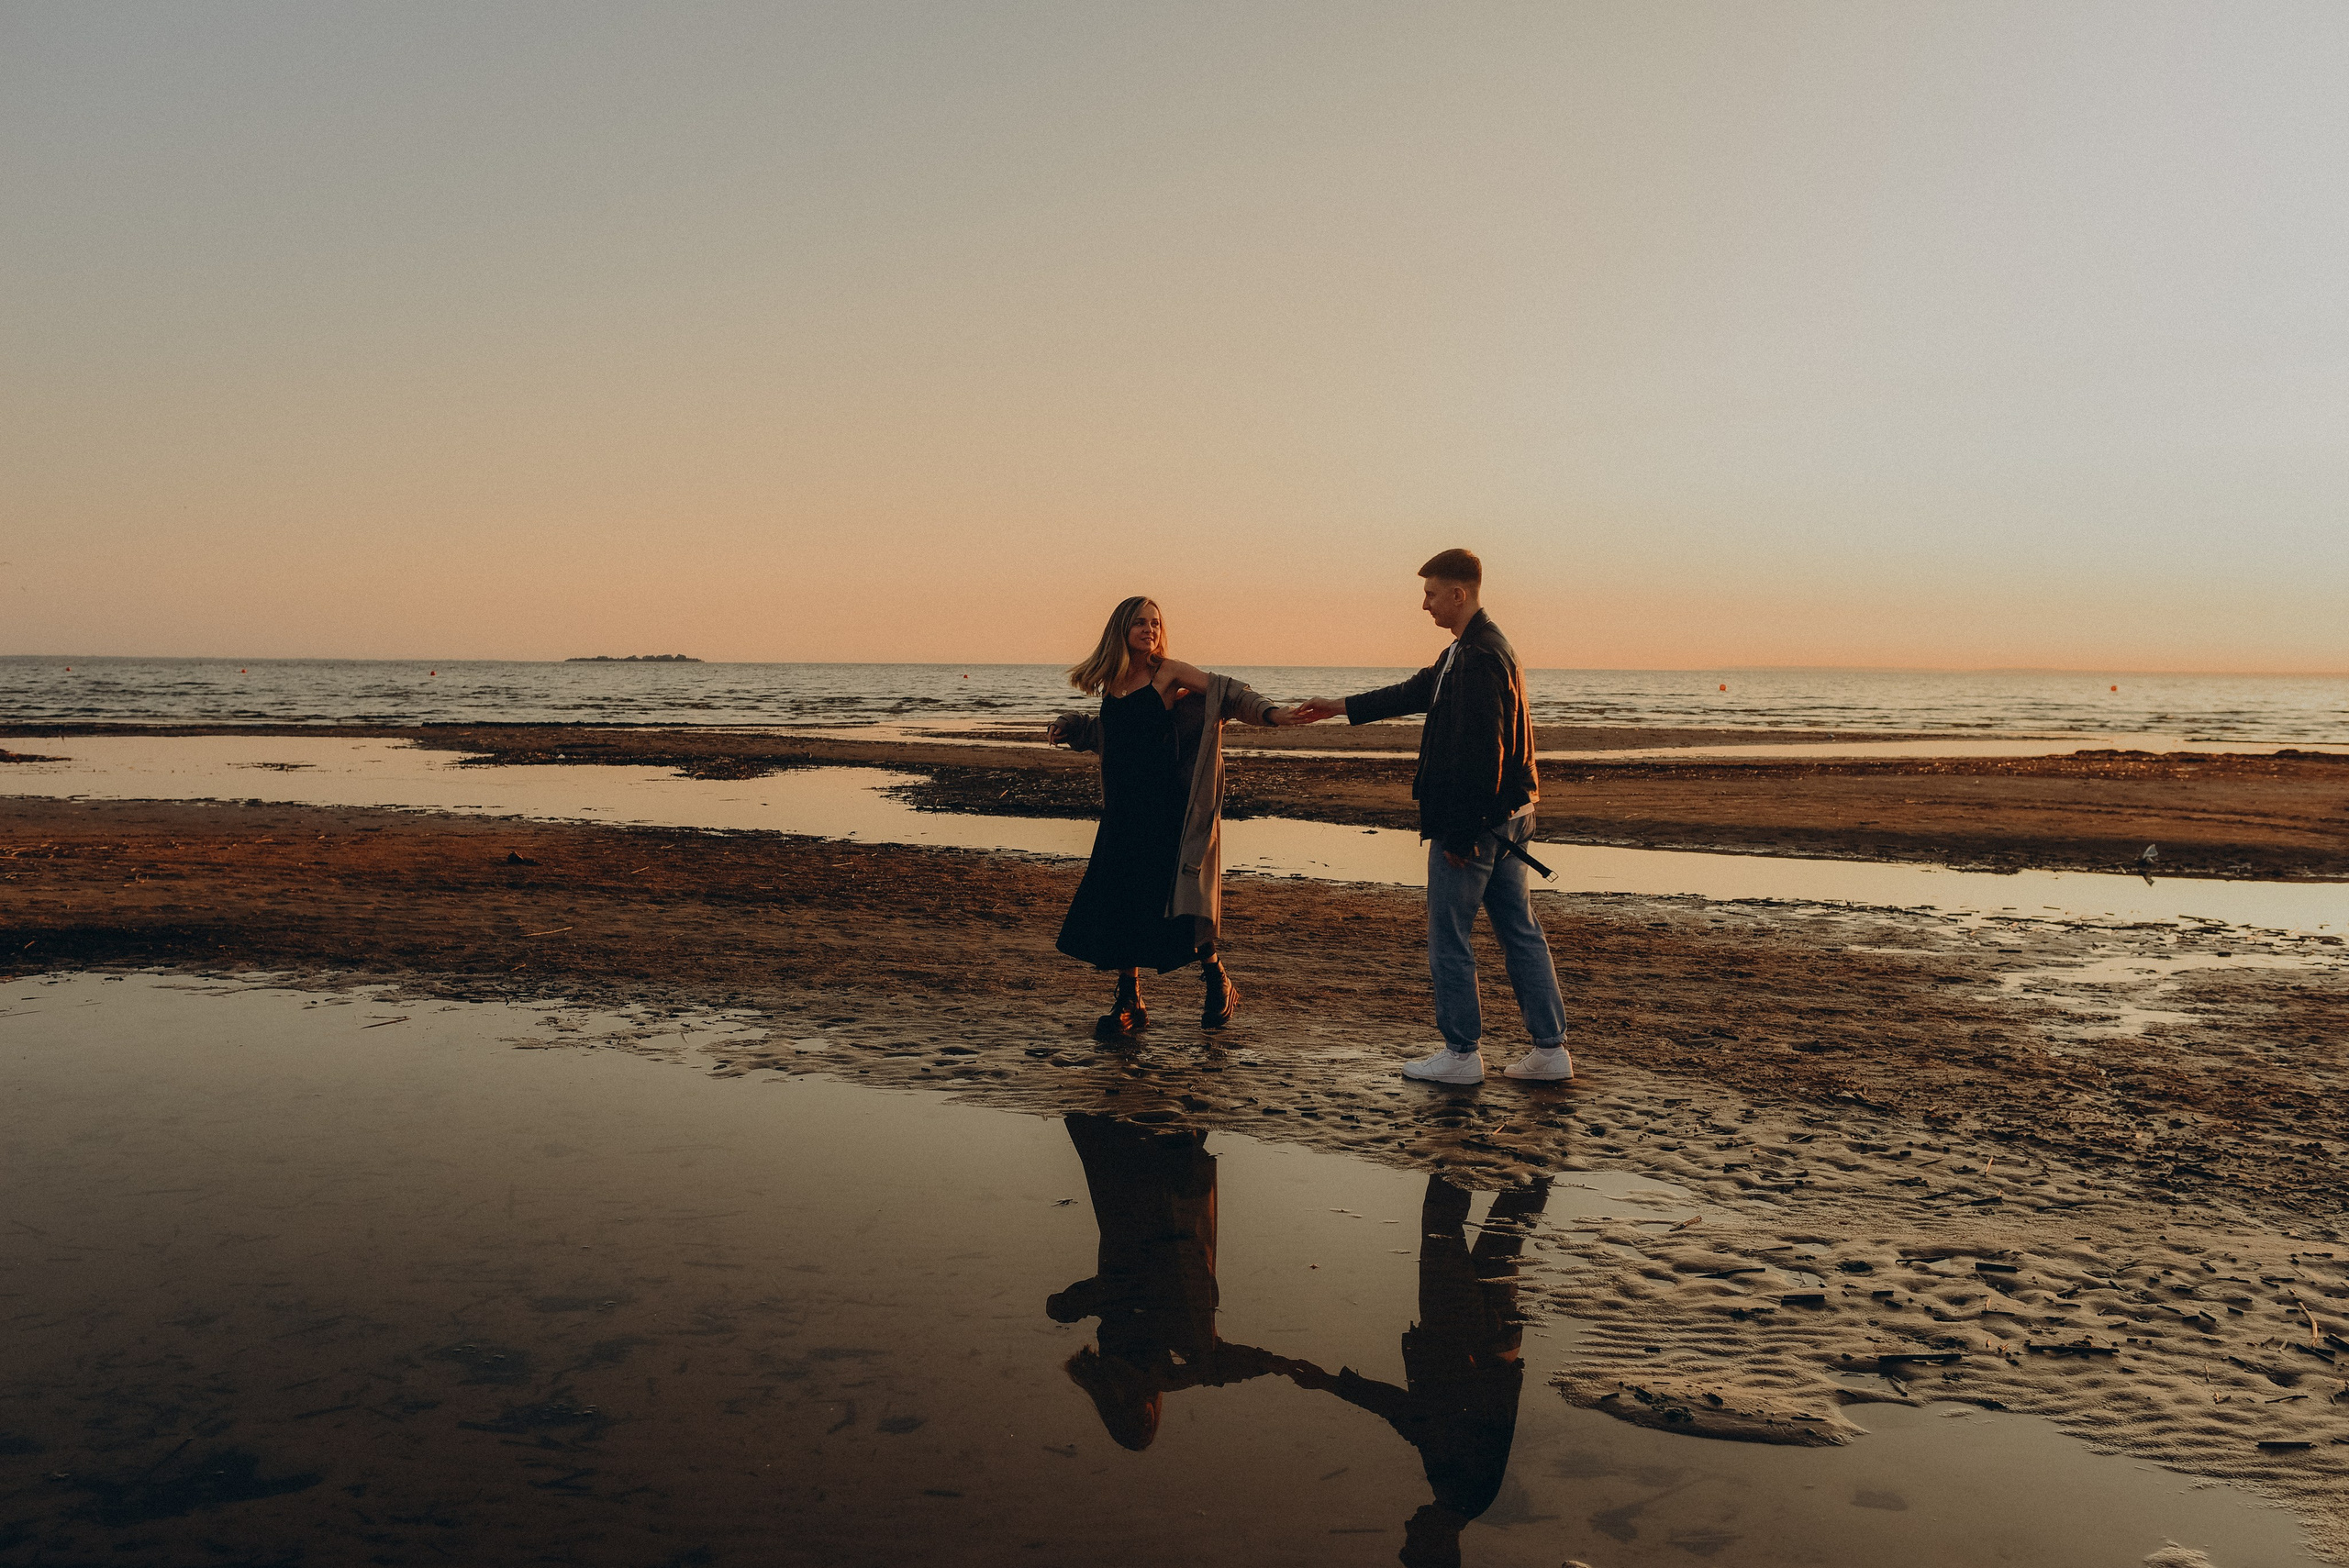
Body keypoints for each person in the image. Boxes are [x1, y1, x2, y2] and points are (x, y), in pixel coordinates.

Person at [1293, 550, 1571, 1084]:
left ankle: (1461, 1055)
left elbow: (1482, 752)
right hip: (1511, 813)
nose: (1425, 605)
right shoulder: (1470, 649)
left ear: (1458, 594)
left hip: (1479, 820)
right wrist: (1340, 706)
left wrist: (1461, 834)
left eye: (1431, 594)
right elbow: (1413, 692)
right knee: (1519, 931)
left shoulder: (1478, 656)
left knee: (1450, 936)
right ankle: (1550, 1051)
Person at [1048, 595, 1308, 1043]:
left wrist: (1273, 713)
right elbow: (1112, 735)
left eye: (1155, 623)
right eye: (1139, 623)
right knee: (1122, 900)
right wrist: (1070, 724)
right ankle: (1130, 1001)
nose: (1149, 630)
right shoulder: (1112, 680)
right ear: (1121, 629)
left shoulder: (1167, 673)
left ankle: (1218, 980)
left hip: (1165, 808)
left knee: (1177, 900)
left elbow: (1228, 692)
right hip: (1121, 811)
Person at [1285, 1175, 1552, 1568]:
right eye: (1413, 1541)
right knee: (1442, 1225)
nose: (1408, 1526)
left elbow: (1423, 1420)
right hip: (1459, 1335)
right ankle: (1457, 1145)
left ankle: (1541, 1148)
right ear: (1437, 1547)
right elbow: (1407, 1414)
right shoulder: (1456, 1489)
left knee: (1509, 1222)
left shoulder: (1474, 1499)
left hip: (1499, 1344)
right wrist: (1330, 1383)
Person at [1046, 1115, 1304, 1450]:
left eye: (1140, 1422)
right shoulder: (1136, 1373)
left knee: (1153, 1156)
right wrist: (1278, 1366)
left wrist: (1278, 1366)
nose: (1148, 1416)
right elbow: (1215, 1370)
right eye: (1148, 1424)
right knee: (1154, 1151)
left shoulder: (1142, 1373)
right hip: (1138, 1247)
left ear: (1129, 1415)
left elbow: (1211, 1369)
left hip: (1140, 1250)